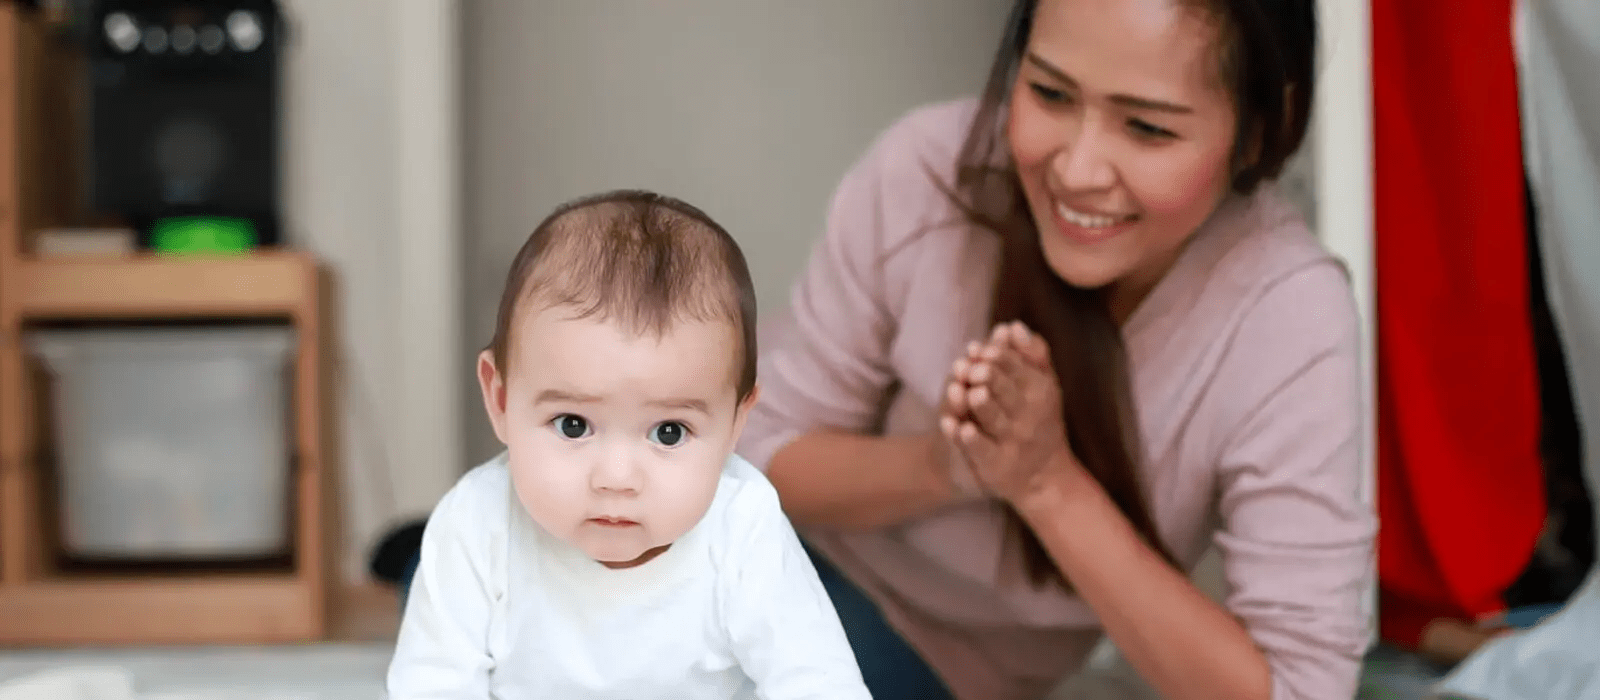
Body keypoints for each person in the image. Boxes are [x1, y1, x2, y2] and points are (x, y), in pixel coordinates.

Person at [736, 0, 1375, 699]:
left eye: (1148, 128)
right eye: (1048, 93)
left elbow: (1303, 687)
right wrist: (948, 465)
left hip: (933, 670)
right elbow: (756, 453)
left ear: (1261, 132)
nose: (1076, 170)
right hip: (771, 568)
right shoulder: (928, 174)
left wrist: (1046, 483)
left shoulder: (1286, 315)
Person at [386, 190, 872, 699]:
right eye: (573, 424)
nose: (616, 478)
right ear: (501, 399)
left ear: (736, 424)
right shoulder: (475, 524)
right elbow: (432, 685)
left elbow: (819, 682)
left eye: (669, 432)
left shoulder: (745, 528)